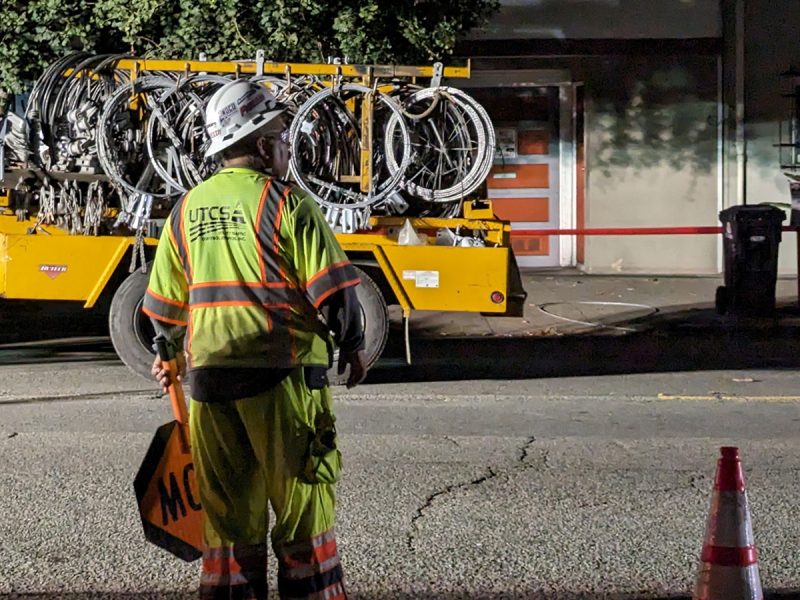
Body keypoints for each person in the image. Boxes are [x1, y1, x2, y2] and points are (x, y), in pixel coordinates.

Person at [142, 78, 367, 600]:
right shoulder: (287, 204)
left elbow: (161, 310)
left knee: (228, 525)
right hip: (282, 381)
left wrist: (169, 356)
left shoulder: (185, 210)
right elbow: (336, 296)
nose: (288, 148)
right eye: (283, 137)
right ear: (263, 146)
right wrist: (352, 348)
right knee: (302, 514)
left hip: (208, 387)